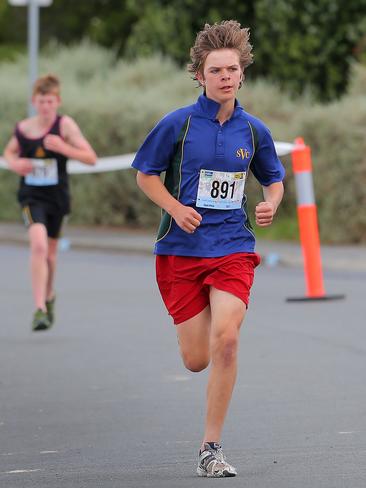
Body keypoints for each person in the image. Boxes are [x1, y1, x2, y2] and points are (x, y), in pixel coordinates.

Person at [132, 20, 285, 478]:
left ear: (242, 74)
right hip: (179, 251)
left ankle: (210, 447)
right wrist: (176, 209)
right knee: (196, 359)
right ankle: (208, 433)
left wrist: (270, 203)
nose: (224, 77)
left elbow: (273, 178)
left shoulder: (253, 130)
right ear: (199, 74)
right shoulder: (176, 124)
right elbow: (145, 175)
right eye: (215, 69)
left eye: (232, 69)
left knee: (229, 339)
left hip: (233, 247)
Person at [3, 74, 97, 331]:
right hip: (31, 198)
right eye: (41, 102)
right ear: (34, 102)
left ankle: (49, 294)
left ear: (57, 102)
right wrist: (15, 163)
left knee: (51, 255)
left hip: (57, 198)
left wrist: (63, 148)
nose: (45, 107)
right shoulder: (23, 129)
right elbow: (9, 152)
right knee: (39, 246)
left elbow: (90, 158)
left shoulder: (65, 126)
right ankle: (39, 308)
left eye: (50, 102)